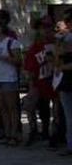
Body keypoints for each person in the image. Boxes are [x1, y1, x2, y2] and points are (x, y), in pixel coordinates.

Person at [0, 20, 23, 145]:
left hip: (9, 78)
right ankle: (7, 133)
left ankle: (15, 134)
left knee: (12, 107)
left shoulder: (11, 42)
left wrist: (4, 58)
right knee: (2, 108)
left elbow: (18, 60)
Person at [22, 17, 54, 146]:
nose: (46, 31)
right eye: (43, 28)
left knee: (55, 110)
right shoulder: (35, 47)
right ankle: (34, 129)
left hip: (53, 81)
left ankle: (52, 131)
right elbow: (29, 66)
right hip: (38, 82)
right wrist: (30, 83)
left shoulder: (56, 43)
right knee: (32, 106)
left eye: (48, 28)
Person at [54, 19, 72, 155]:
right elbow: (56, 61)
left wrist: (63, 66)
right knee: (68, 116)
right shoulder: (63, 40)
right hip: (65, 83)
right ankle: (70, 145)